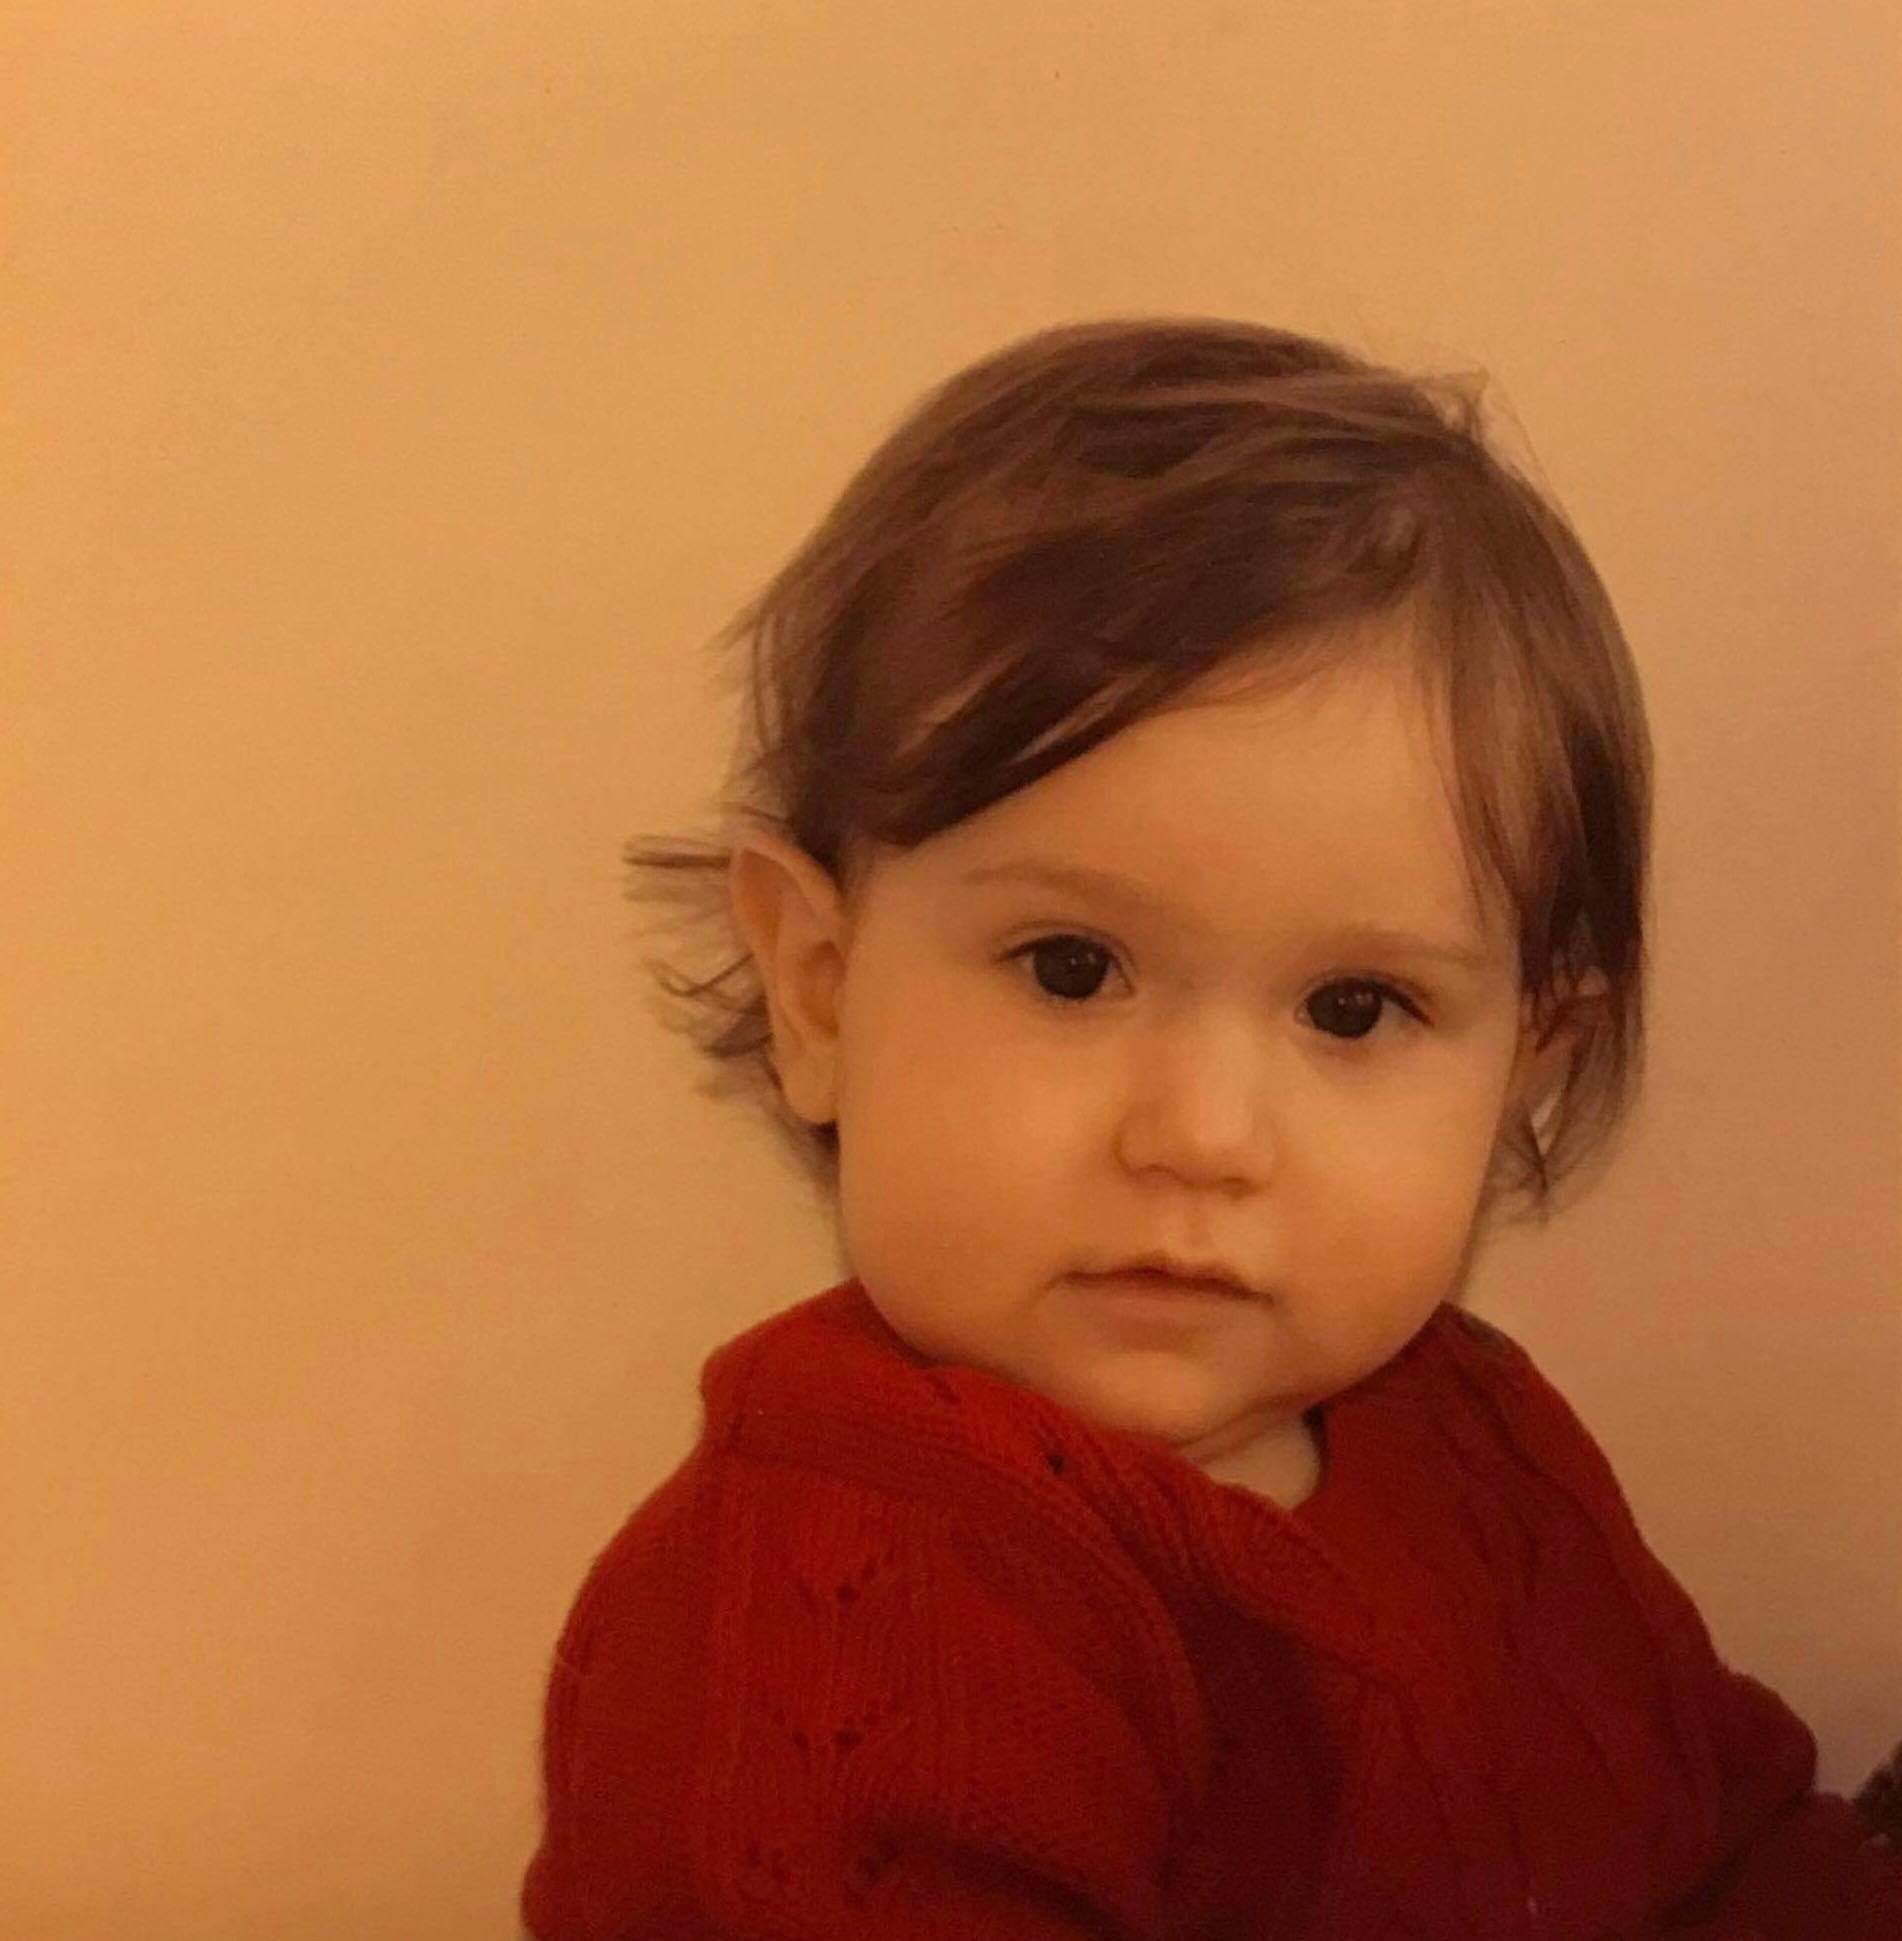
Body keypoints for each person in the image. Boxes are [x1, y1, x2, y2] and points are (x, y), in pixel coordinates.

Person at [518, 318, 1902, 1937]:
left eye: (1354, 1008)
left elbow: (1725, 1848)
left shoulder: (1470, 1431)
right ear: (819, 990)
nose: (1204, 1134)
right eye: (1071, 967)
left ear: (1519, 1070)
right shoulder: (837, 1639)